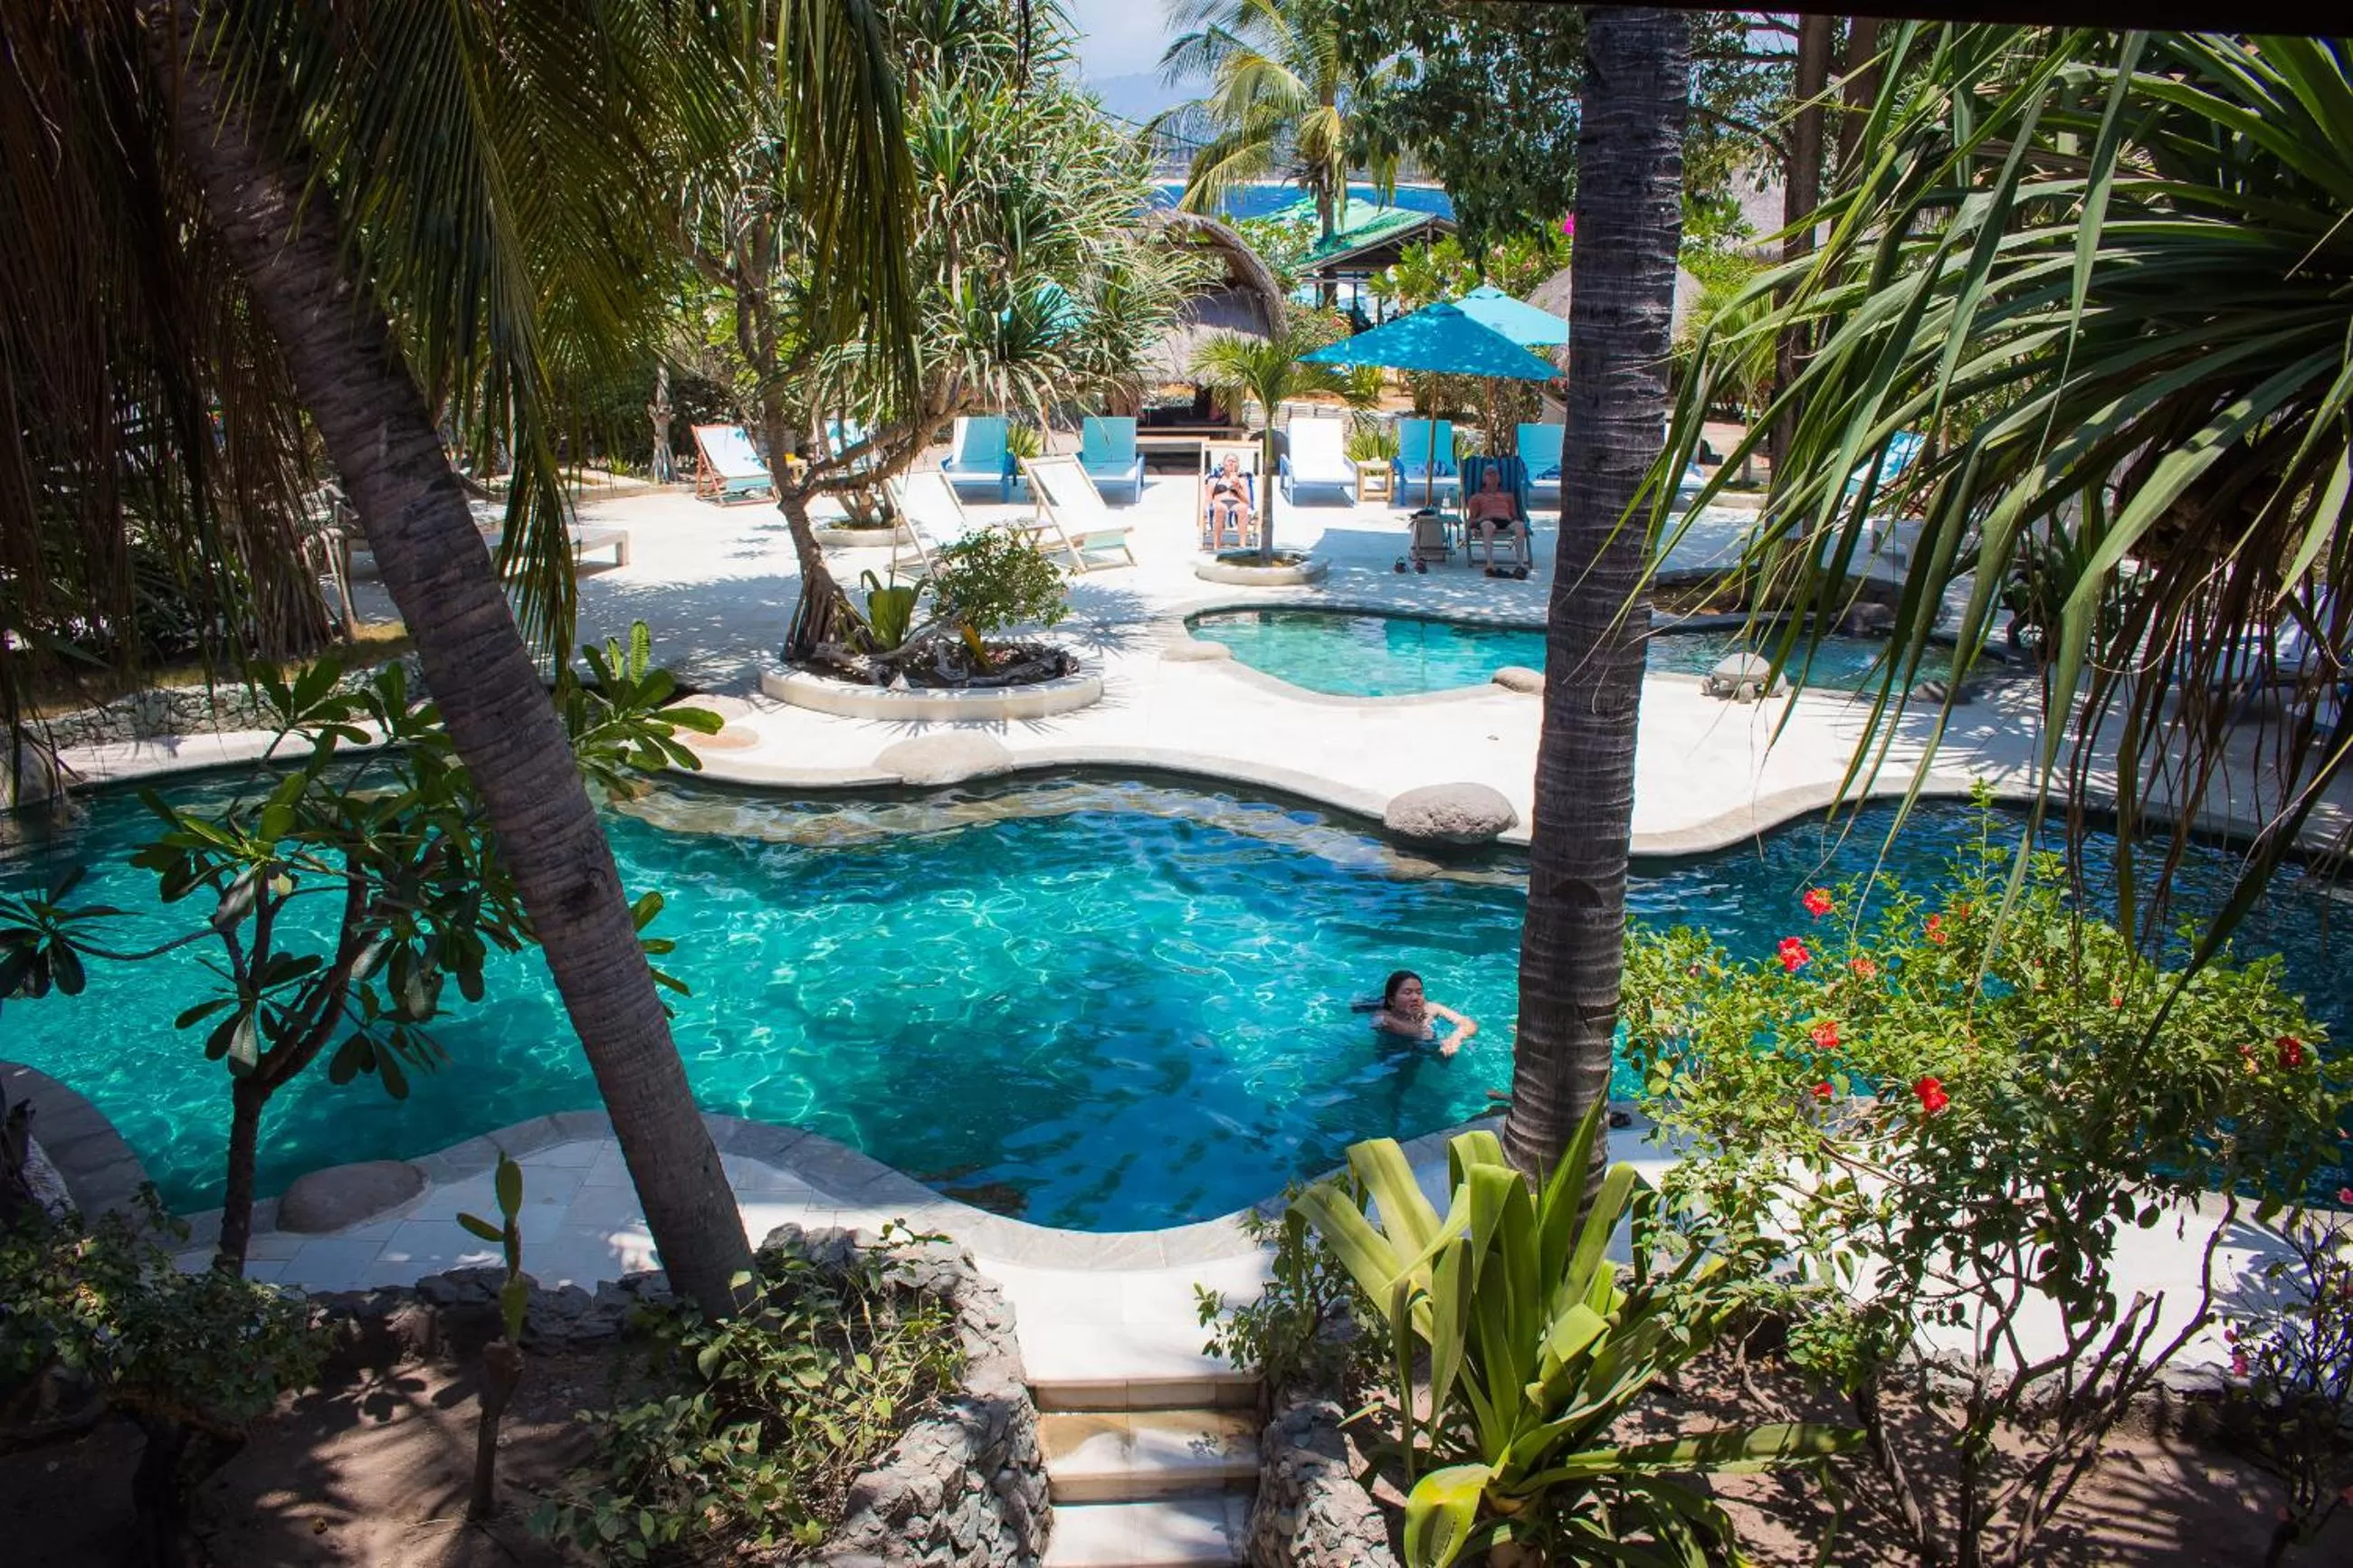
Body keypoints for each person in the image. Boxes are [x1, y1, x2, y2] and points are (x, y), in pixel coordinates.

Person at [1370, 969, 1476, 1057]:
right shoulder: (1384, 1016)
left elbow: (1468, 1023)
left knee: (1446, 1056)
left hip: (1421, 1043)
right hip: (1394, 1049)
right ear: (1391, 1000)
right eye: (1408, 992)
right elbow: (1384, 1022)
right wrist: (1422, 1032)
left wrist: (1455, 1039)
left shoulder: (1430, 1008)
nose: (1415, 997)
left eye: (1419, 992)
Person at [1462, 465, 1527, 575]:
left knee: (1520, 526)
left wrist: (1520, 521)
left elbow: (1515, 515)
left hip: (1506, 521)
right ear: (1483, 479)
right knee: (1487, 526)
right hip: (1488, 521)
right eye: (1489, 474)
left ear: (1499, 478)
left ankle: (1520, 565)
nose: (1492, 476)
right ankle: (1490, 565)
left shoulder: (1508, 496)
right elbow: (1471, 520)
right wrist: (1474, 527)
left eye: (1495, 473)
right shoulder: (1477, 497)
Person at [1201, 453, 1255, 549]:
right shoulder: (1213, 480)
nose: (1231, 463)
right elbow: (1208, 500)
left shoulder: (1242, 481)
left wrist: (1237, 489)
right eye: (1229, 460)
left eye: (1234, 461)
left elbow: (1248, 501)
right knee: (1220, 508)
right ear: (1223, 463)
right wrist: (1205, 511)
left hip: (1237, 503)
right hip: (1220, 503)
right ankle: (1216, 545)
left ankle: (1242, 545)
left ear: (1238, 464)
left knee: (1243, 508)